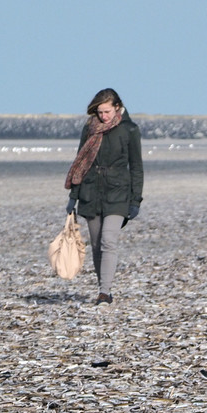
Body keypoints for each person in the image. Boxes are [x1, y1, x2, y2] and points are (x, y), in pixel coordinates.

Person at [64, 89, 143, 304]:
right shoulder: (89, 129)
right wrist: (74, 197)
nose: (103, 116)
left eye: (106, 111)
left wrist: (136, 200)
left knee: (109, 240)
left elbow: (136, 167)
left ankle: (104, 292)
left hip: (118, 193)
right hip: (91, 192)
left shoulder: (130, 130)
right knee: (97, 245)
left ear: (117, 107)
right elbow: (80, 163)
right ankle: (103, 288)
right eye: (99, 112)